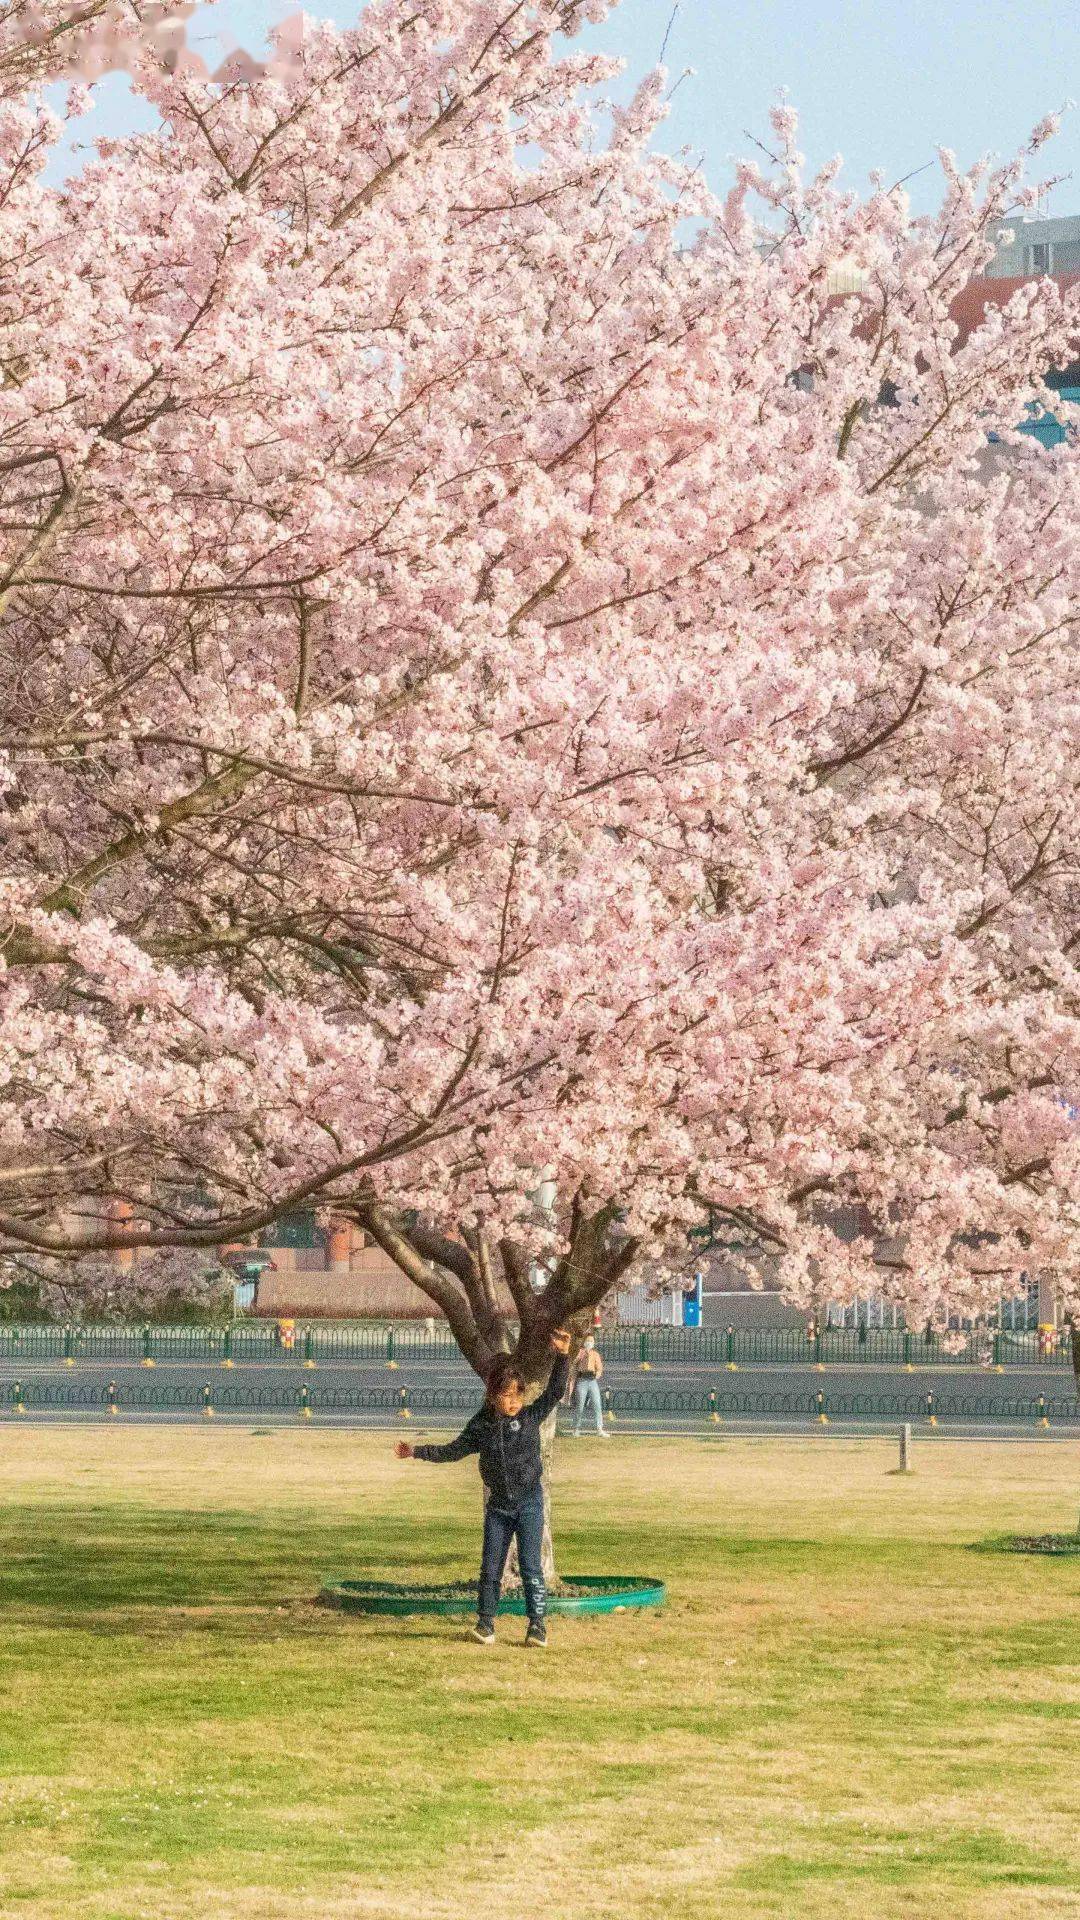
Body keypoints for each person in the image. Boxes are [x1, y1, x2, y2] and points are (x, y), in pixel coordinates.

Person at [396, 1328, 571, 1647]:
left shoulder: (531, 1417)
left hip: (529, 1504)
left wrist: (562, 1356)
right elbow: (452, 1450)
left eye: (518, 1394)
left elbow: (555, 1392)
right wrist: (417, 1451)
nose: (514, 1401)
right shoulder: (481, 1426)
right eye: (507, 1395)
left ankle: (537, 1626)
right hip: (499, 1509)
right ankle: (486, 1623)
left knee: (532, 1567)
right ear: (493, 1395)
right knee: (490, 1566)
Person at [569, 1334, 609, 1437]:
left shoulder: (595, 1354)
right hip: (582, 1380)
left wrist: (597, 1374)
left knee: (597, 1404)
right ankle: (576, 1429)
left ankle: (599, 1428)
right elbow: (574, 1364)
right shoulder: (580, 1352)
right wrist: (580, 1356)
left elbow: (599, 1368)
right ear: (584, 1342)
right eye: (588, 1341)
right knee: (580, 1405)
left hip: (592, 1381)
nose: (589, 1343)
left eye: (591, 1341)